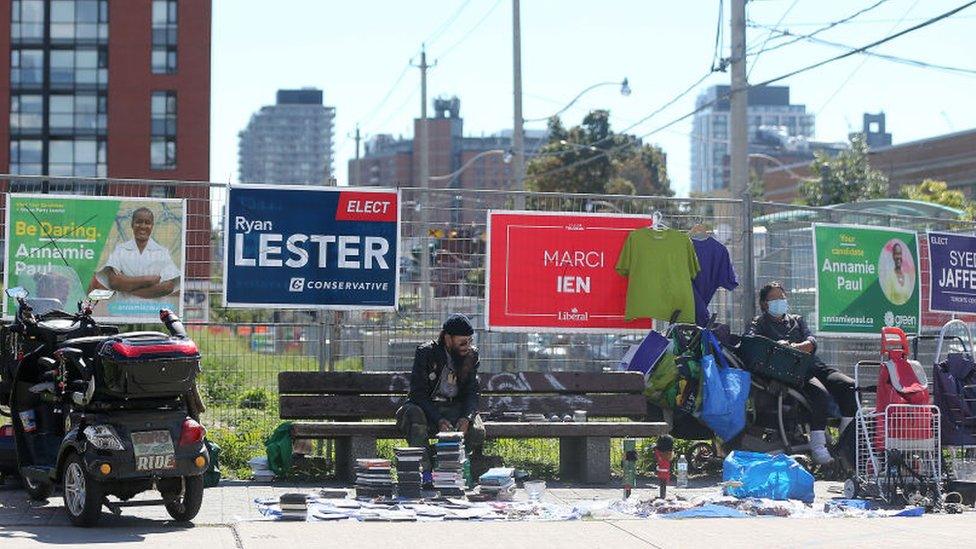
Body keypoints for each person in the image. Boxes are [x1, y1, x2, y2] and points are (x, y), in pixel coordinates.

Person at [746, 282, 857, 464]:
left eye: (782, 297)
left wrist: (799, 346)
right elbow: (752, 342)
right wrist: (778, 346)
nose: (779, 302)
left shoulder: (797, 320)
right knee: (819, 394)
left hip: (812, 364)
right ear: (765, 303)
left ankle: (845, 443)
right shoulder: (760, 323)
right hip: (791, 371)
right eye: (774, 299)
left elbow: (811, 340)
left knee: (849, 386)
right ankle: (818, 448)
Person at [396, 314, 486, 472]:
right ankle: (426, 474)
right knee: (413, 416)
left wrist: (467, 417)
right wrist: (438, 420)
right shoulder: (426, 353)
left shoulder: (471, 356)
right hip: (427, 409)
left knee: (477, 431)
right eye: (462, 342)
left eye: (470, 341)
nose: (467, 346)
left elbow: (472, 392)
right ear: (448, 338)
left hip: (454, 409)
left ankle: (448, 470)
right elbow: (418, 394)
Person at [91, 207, 181, 301]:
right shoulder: (120, 250)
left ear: (152, 226)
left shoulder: (162, 252)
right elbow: (114, 282)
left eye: (147, 223)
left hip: (152, 313)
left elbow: (168, 287)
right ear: (132, 224)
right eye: (139, 222)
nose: (143, 226)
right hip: (124, 312)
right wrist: (148, 281)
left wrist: (127, 286)